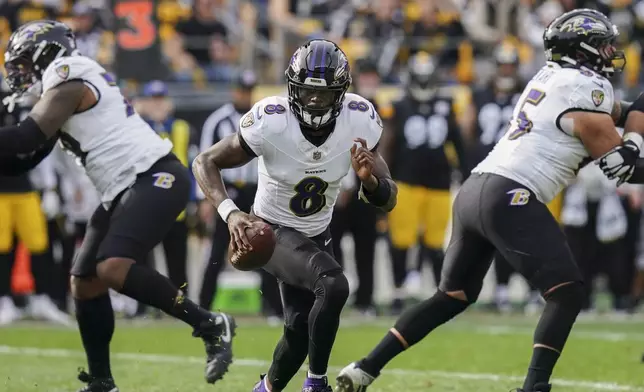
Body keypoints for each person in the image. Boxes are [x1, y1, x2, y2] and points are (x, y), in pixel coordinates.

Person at [335, 8, 644, 392]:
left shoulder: (554, 80)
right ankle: (534, 388)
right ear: (583, 50)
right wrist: (637, 130)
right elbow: (623, 167)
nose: (611, 50)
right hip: (511, 193)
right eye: (603, 44)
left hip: (475, 189)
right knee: (567, 292)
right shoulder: (587, 88)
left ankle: (364, 368)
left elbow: (624, 114)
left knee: (452, 295)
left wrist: (638, 113)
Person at [0, 20, 235, 392]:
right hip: (125, 186)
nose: (21, 72)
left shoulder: (68, 73)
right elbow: (24, 158)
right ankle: (101, 381)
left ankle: (209, 323)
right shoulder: (62, 87)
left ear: (48, 54)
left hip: (156, 176)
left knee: (111, 266)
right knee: (85, 282)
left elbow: (24, 136)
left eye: (26, 62)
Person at [193, 39, 397, 392]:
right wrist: (231, 214)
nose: (315, 102)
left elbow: (387, 199)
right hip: (271, 229)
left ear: (342, 92)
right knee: (334, 285)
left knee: (299, 331)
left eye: (324, 94)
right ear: (291, 88)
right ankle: (316, 384)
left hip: (318, 232)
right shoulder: (271, 122)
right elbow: (205, 161)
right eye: (306, 93)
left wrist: (371, 181)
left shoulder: (360, 118)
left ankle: (266, 389)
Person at [379, 51, 466, 313]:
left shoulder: (447, 104)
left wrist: (463, 170)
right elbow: (390, 145)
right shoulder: (399, 105)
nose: (425, 84)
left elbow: (457, 142)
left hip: (439, 182)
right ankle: (398, 291)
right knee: (401, 240)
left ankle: (440, 293)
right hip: (406, 182)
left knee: (435, 242)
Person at [196, 70, 282, 319]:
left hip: (256, 190)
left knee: (264, 245)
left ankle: (273, 307)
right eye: (243, 90)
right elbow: (203, 159)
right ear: (234, 91)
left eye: (249, 90)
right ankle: (203, 306)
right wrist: (206, 199)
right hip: (229, 190)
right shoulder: (217, 120)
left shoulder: (262, 117)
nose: (246, 95)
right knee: (218, 249)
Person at [330, 58, 382, 317]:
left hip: (367, 187)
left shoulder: (379, 108)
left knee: (366, 248)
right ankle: (334, 297)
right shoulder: (341, 108)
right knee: (332, 250)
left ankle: (365, 300)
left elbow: (382, 152)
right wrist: (341, 183)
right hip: (339, 188)